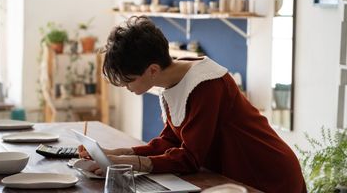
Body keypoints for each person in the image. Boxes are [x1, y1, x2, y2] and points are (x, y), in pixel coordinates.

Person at [79, 16, 307, 193]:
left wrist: (128, 163)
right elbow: (170, 141)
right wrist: (116, 154)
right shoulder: (173, 80)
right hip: (238, 175)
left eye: (128, 80)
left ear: (152, 70)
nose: (125, 87)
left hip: (268, 175)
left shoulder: (206, 84)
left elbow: (189, 158)